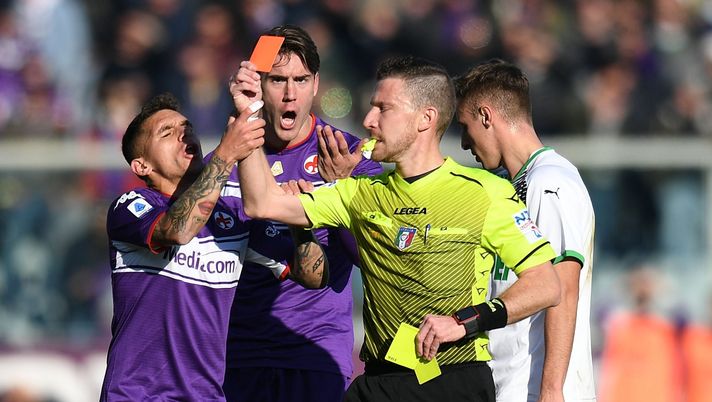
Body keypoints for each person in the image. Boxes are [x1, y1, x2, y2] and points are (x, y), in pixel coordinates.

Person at [235, 55, 561, 401]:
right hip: (378, 382)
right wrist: (250, 111)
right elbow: (261, 203)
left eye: (383, 109)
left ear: (425, 118)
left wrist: (463, 321)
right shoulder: (359, 191)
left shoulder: (484, 193)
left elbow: (546, 284)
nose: (368, 120)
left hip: (452, 379)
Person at [100, 93, 327, 401]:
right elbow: (178, 230)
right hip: (137, 393)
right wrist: (227, 153)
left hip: (205, 395)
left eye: (187, 127)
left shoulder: (231, 220)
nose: (184, 134)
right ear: (142, 165)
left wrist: (299, 224)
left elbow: (313, 277)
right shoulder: (131, 206)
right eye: (167, 133)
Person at [219, 24, 383, 402]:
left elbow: (372, 258)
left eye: (301, 79)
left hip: (316, 352)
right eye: (277, 80)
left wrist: (344, 190)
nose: (290, 93)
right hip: (238, 354)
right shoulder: (226, 160)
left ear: (316, 84)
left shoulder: (349, 157)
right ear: (257, 86)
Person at [454, 59, 596, 402]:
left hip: (534, 390)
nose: (463, 143)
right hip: (509, 385)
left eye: (465, 125)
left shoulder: (550, 182)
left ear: (486, 117)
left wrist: (551, 390)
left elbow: (564, 287)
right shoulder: (510, 185)